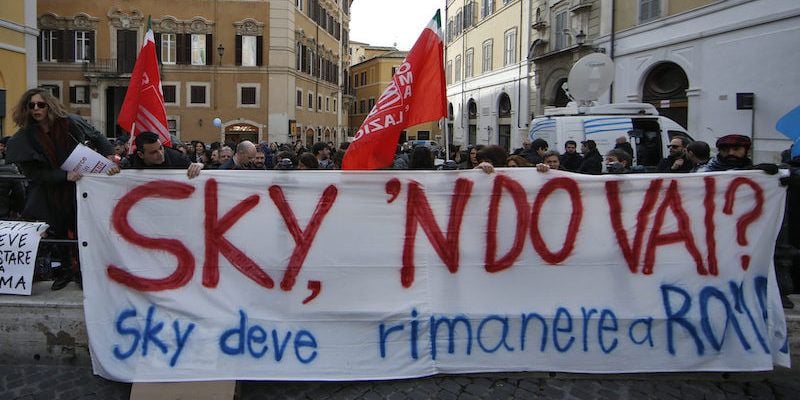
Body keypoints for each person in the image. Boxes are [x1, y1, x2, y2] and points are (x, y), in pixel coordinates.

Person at [6, 88, 118, 290]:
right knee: (56, 231)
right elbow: (33, 172)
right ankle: (65, 271)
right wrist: (63, 175)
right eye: (31, 105)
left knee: (81, 229)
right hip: (50, 189)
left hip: (80, 186)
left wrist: (109, 155)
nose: (36, 109)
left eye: (41, 104)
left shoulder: (71, 122)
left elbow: (97, 136)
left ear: (50, 105)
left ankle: (83, 272)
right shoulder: (24, 137)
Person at [122, 131, 203, 178]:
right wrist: (114, 171)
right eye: (153, 152)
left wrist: (199, 165)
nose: (160, 154)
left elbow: (203, 170)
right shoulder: (129, 163)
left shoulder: (176, 157)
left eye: (161, 148)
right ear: (141, 155)